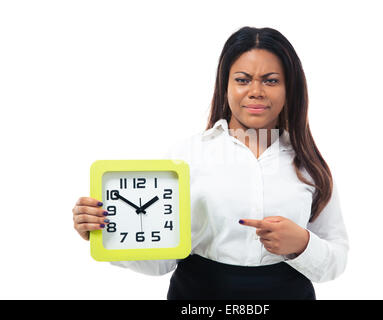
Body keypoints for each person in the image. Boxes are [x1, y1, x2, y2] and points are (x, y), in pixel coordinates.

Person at [72, 26, 349, 300]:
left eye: (271, 80)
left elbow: (336, 261)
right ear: (225, 85)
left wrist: (303, 244)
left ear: (290, 88)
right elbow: (161, 262)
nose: (256, 91)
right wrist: (103, 234)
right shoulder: (186, 157)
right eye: (242, 79)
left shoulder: (309, 165)